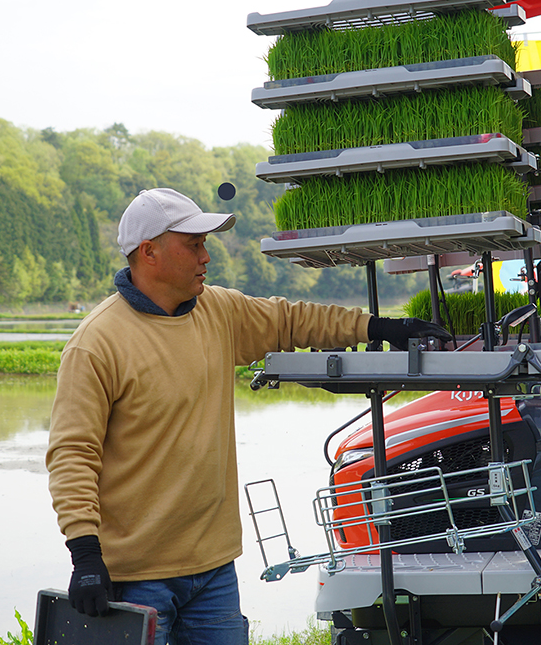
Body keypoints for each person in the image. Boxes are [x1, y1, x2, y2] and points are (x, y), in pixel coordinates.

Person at [45, 187, 448, 643]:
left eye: (205, 244)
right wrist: (85, 554)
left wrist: (378, 327)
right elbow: (72, 455)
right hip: (137, 575)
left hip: (214, 569)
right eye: (193, 245)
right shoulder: (96, 343)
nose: (206, 257)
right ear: (149, 251)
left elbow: (291, 319)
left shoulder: (217, 310)